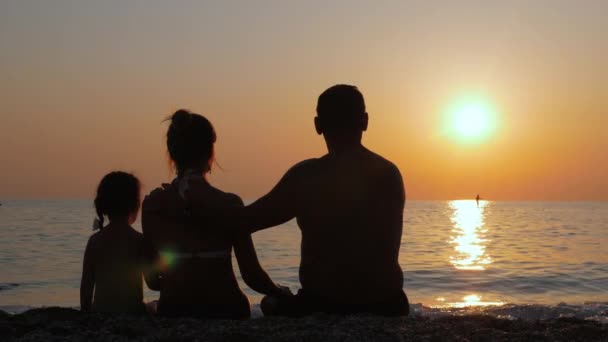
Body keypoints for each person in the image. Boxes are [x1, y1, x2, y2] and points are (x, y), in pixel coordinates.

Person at [181, 85, 409, 316]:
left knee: (271, 303)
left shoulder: (308, 176)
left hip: (324, 303)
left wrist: (198, 200)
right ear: (365, 121)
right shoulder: (389, 173)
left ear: (317, 126)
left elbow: (246, 221)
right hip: (387, 303)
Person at [142, 110, 288, 319]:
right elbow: (251, 275)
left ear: (171, 153)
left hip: (173, 310)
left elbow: (153, 282)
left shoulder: (152, 206)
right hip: (227, 309)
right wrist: (278, 291)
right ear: (210, 152)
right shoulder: (229, 203)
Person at [80, 171, 160, 314]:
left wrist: (86, 316)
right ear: (135, 205)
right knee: (154, 306)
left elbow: (86, 287)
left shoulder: (95, 241)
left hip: (101, 313)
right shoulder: (139, 240)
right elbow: (153, 283)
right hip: (133, 313)